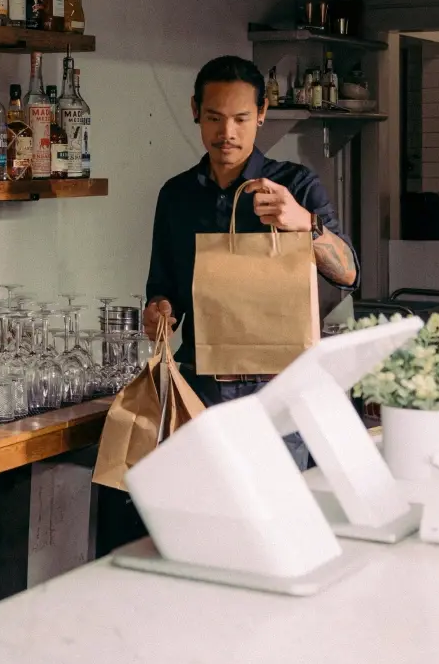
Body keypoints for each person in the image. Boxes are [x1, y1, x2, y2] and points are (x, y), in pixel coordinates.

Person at [143, 54, 359, 470]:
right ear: (195, 112)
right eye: (214, 118)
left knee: (279, 519)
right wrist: (159, 313)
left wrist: (304, 224)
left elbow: (349, 270)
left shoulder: (295, 184)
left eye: (241, 118)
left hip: (280, 392)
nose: (227, 133)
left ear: (261, 114)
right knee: (208, 517)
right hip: (200, 389)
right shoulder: (176, 195)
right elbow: (165, 291)